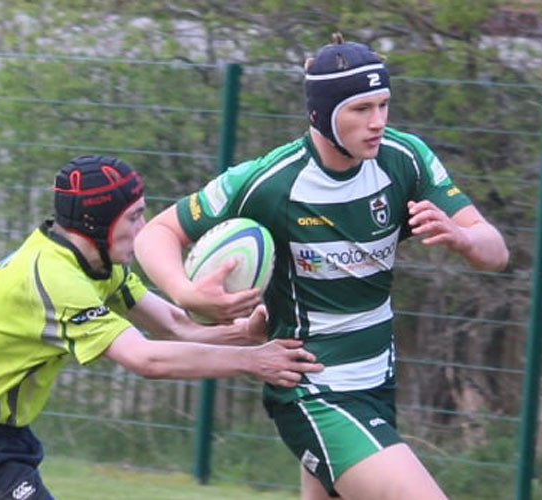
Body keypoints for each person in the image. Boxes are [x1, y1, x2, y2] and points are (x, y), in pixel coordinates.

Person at [133, 33, 509, 500]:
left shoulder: (405, 158)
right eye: (360, 109)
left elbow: (496, 252)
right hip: (312, 388)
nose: (378, 122)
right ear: (322, 113)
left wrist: (465, 238)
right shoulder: (269, 182)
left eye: (383, 105)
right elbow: (157, 233)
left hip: (377, 379)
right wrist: (186, 294)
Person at [0, 154, 324, 500]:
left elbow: (175, 326)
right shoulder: (56, 277)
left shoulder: (95, 264)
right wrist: (252, 361)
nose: (143, 230)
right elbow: (145, 359)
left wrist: (244, 334)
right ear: (96, 222)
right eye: (134, 217)